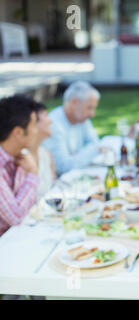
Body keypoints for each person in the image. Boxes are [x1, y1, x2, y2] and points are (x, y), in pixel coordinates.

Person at [43, 81, 102, 175]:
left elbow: (96, 143)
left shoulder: (81, 119)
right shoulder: (54, 124)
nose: (92, 114)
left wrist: (77, 157)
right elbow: (63, 167)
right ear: (74, 102)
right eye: (89, 108)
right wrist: (93, 150)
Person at [0, 95, 40, 236]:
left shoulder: (17, 157)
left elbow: (29, 205)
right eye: (34, 124)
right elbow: (16, 216)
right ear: (18, 132)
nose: (37, 130)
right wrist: (33, 173)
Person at [29, 103, 56, 197]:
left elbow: (55, 188)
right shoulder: (21, 160)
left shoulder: (46, 154)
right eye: (45, 115)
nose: (50, 121)